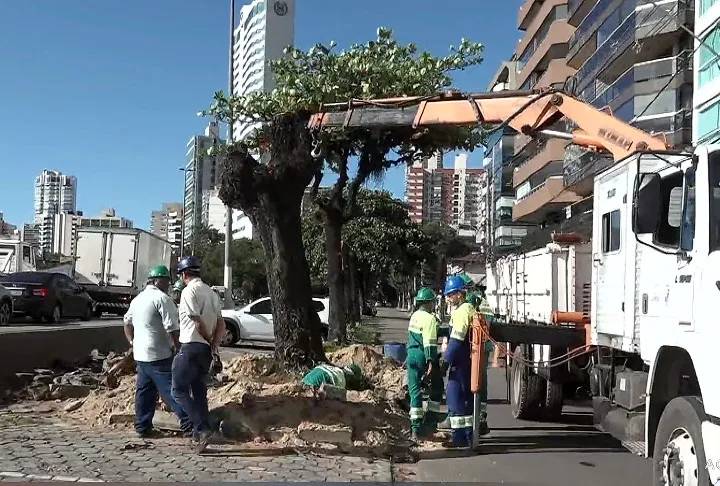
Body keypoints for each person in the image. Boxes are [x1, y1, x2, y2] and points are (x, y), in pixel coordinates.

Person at [123, 265, 192, 438]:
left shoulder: (137, 299)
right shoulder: (162, 298)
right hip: (159, 354)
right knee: (171, 389)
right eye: (166, 280)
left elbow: (127, 323)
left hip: (141, 354)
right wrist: (178, 346)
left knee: (144, 391)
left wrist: (132, 342)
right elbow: (172, 327)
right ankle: (189, 423)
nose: (168, 284)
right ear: (157, 281)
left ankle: (142, 426)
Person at [171, 256, 226, 454]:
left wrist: (207, 339)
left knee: (178, 389)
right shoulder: (211, 293)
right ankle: (200, 432)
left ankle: (202, 430)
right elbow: (221, 324)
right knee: (199, 391)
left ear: (184, 274)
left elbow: (197, 323)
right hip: (205, 351)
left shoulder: (188, 292)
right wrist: (214, 345)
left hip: (192, 346)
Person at [406, 287, 444, 442]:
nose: (434, 304)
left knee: (415, 392)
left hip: (411, 354)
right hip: (423, 355)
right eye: (433, 302)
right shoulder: (430, 319)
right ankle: (431, 421)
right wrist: (431, 362)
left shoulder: (414, 316)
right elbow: (429, 343)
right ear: (428, 303)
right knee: (437, 386)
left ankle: (415, 430)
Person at [442, 275, 476, 448]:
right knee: (465, 400)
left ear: (460, 294)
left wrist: (445, 362)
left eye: (450, 294)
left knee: (455, 397)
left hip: (461, 361)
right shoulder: (466, 309)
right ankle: (468, 437)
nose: (448, 298)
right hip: (466, 360)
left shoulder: (463, 311)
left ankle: (459, 438)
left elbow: (456, 339)